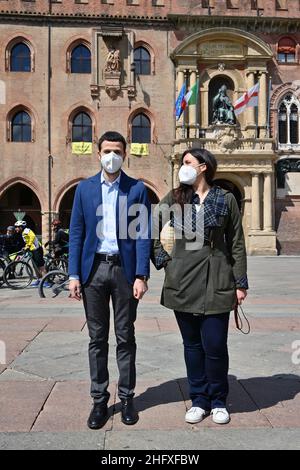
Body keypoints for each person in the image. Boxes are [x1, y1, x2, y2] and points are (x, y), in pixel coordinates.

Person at [152, 148, 248, 425]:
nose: (183, 167)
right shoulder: (176, 197)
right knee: (192, 346)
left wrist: (239, 282)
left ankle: (218, 400)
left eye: (188, 162)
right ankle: (198, 400)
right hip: (182, 279)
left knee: (216, 345)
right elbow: (150, 226)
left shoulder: (225, 199)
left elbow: (237, 244)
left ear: (203, 167)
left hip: (218, 278)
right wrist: (164, 259)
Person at [69, 130, 151, 430]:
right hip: (93, 272)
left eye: (117, 151)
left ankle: (128, 397)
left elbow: (143, 233)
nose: (112, 156)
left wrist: (141, 274)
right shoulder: (85, 189)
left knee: (125, 336)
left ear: (124, 154)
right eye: (107, 151)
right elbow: (76, 232)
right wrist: (73, 274)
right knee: (97, 339)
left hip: (124, 272)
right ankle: (100, 400)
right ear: (98, 153)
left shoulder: (137, 189)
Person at [14, 220, 46, 286]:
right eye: (15, 227)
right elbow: (28, 241)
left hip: (37, 249)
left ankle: (46, 281)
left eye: (17, 227)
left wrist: (28, 245)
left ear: (21, 227)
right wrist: (26, 247)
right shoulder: (23, 233)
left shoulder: (26, 230)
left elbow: (32, 236)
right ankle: (39, 280)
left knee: (41, 266)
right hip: (32, 250)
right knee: (35, 266)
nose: (16, 228)